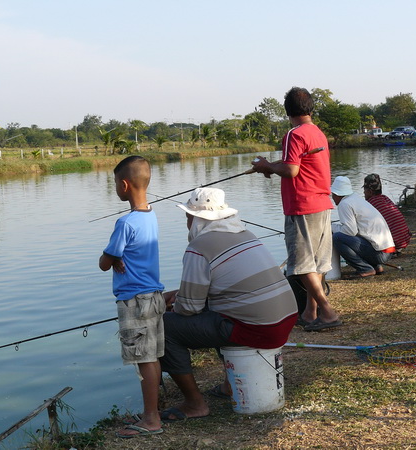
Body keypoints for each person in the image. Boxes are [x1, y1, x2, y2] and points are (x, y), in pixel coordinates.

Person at [159, 188, 298, 421]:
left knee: (164, 327)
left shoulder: (199, 247)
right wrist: (182, 294)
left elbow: (189, 308)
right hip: (285, 320)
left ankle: (194, 404)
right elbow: (227, 286)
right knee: (222, 310)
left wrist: (172, 303)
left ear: (196, 219)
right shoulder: (246, 233)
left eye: (187, 217)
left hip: (260, 329)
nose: (186, 222)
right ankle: (228, 385)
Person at [251, 86, 341, 332]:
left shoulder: (294, 133)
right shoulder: (317, 133)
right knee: (316, 263)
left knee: (301, 264)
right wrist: (269, 167)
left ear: (288, 110)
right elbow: (297, 164)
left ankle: (328, 312)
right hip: (322, 203)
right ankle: (310, 313)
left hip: (302, 205)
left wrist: (266, 165)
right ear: (310, 107)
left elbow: (291, 170)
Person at [99, 156, 165, 438]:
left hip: (134, 301)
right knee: (151, 357)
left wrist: (112, 259)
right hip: (153, 296)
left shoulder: (125, 223)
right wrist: (117, 258)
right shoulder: (150, 215)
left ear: (124, 185)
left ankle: (151, 420)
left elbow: (105, 261)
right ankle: (153, 413)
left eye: (115, 182)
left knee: (144, 359)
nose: (115, 187)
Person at [331, 176, 396, 278]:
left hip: (380, 254)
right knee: (355, 235)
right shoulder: (355, 198)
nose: (332, 197)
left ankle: (365, 269)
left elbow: (350, 231)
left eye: (333, 194)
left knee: (337, 238)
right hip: (387, 252)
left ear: (337, 194)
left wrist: (332, 227)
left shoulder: (344, 203)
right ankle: (376, 266)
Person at [362, 173, 411, 253]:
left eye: (364, 190)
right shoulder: (385, 198)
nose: (363, 193)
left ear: (370, 192)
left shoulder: (370, 204)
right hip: (404, 240)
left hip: (393, 244)